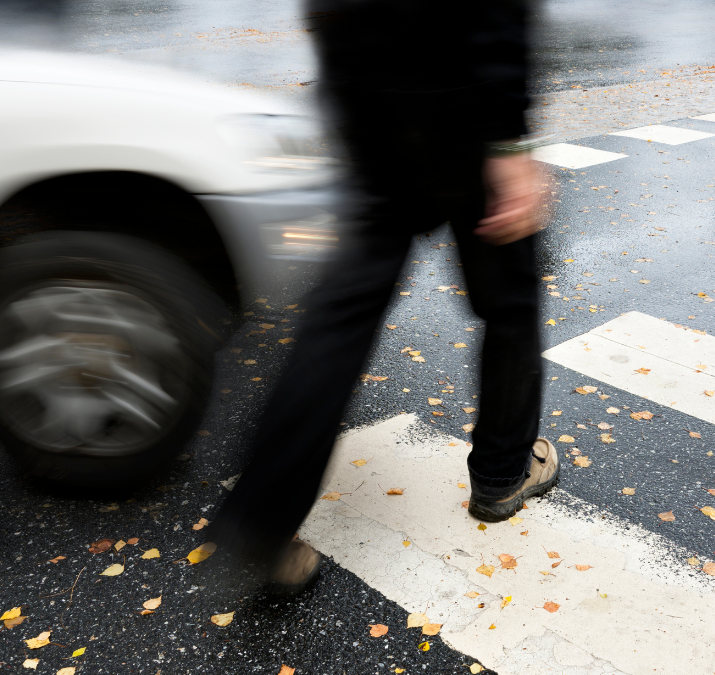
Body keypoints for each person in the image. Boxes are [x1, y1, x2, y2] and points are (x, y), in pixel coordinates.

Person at [209, 0, 556, 592]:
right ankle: (502, 474)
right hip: (459, 93)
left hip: (366, 92)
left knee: (342, 315)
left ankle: (260, 521)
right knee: (510, 300)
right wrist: (507, 141)